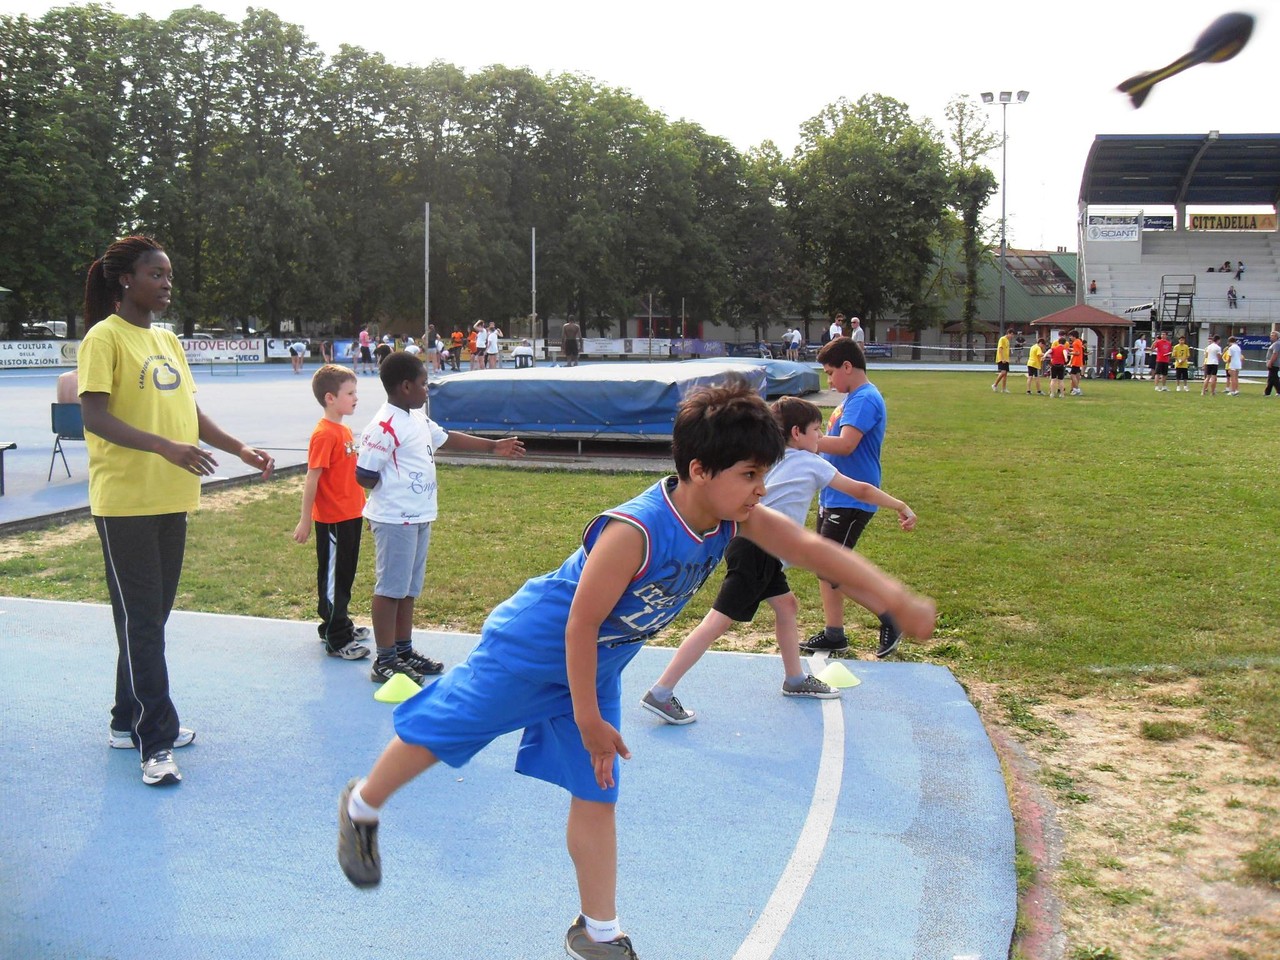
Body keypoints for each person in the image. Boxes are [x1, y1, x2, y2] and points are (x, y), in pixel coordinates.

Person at [334, 380, 937, 960]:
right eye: (750, 475)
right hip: (532, 649)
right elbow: (577, 625)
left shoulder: (732, 516)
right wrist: (589, 717)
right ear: (699, 471)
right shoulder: (635, 531)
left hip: (597, 664)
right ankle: (361, 805)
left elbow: (811, 549)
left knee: (596, 790)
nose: (761, 489)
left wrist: (893, 597)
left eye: (764, 474)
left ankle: (598, 931)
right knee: (439, 734)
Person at [79, 235, 275, 787]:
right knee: (143, 623)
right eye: (156, 275)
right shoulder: (104, 338)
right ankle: (155, 741)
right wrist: (164, 446)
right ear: (126, 280)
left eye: (169, 275)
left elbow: (188, 410)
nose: (166, 284)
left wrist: (238, 447)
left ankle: (126, 719)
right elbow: (94, 416)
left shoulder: (167, 341)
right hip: (126, 503)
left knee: (147, 620)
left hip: (172, 497)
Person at [640, 396, 918, 724]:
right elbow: (860, 490)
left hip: (755, 547)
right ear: (797, 433)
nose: (820, 438)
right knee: (717, 621)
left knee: (786, 606)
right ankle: (661, 691)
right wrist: (900, 505)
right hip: (758, 550)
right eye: (817, 430)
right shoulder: (812, 462)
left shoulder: (769, 458)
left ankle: (795, 679)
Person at [356, 352, 525, 686]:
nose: (427, 389)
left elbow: (445, 438)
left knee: (407, 589)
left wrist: (493, 448)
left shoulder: (416, 417)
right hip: (395, 519)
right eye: (423, 383)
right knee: (390, 589)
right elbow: (364, 475)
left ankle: (403, 650)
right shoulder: (384, 426)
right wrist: (393, 489)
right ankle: (385, 659)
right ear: (405, 387)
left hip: (419, 516)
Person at [799, 337, 902, 658]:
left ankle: (890, 616)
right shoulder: (851, 399)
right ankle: (834, 633)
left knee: (831, 569)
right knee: (825, 567)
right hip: (836, 493)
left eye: (831, 373)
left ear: (848, 367)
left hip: (852, 497)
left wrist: (805, 442)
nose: (828, 381)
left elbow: (845, 445)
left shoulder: (864, 399)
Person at [293, 364, 370, 660]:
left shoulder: (344, 429)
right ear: (330, 398)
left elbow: (349, 475)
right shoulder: (324, 434)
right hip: (333, 520)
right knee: (334, 578)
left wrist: (366, 509)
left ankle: (339, 622)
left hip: (351, 515)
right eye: (350, 393)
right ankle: (336, 638)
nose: (355, 398)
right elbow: (312, 477)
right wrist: (305, 520)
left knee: (345, 574)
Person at [991, 327, 1012, 393]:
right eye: (1011, 334)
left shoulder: (1007, 341)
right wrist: (1002, 358)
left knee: (1005, 374)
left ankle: (1004, 389)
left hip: (1006, 359)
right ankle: (995, 384)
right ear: (1008, 333)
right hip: (1001, 359)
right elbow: (1000, 349)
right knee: (1003, 372)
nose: (1012, 336)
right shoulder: (1002, 339)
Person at [1068, 329, 1086, 396]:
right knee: (1077, 375)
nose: (1070, 338)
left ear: (1074, 336)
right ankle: (1076, 388)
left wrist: (1069, 353)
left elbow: (1077, 353)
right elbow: (1078, 350)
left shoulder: (1075, 343)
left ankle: (1076, 389)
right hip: (1079, 361)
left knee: (1072, 375)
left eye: (1071, 336)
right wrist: (1070, 349)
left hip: (1075, 361)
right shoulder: (1079, 341)